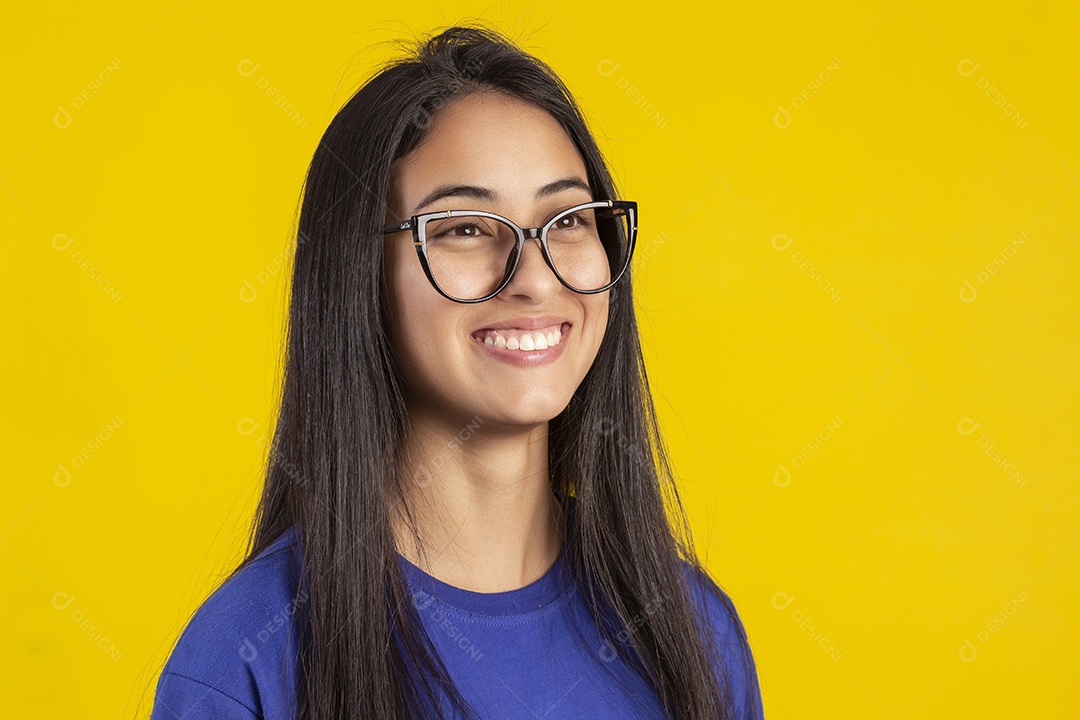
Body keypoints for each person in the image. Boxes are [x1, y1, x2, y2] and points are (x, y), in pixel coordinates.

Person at [150, 24, 765, 720]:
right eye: (465, 228)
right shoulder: (246, 655)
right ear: (360, 275)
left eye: (567, 219)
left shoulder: (693, 631)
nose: (535, 279)